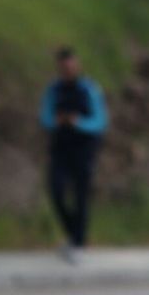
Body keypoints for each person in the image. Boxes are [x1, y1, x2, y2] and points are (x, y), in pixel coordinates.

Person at [38, 47, 107, 263]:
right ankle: (74, 234)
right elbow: (45, 118)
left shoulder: (89, 89)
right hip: (61, 147)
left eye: (71, 66)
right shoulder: (54, 90)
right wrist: (57, 121)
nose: (68, 70)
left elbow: (100, 121)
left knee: (80, 195)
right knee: (56, 190)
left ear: (77, 66)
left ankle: (78, 242)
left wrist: (78, 122)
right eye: (64, 67)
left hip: (83, 148)